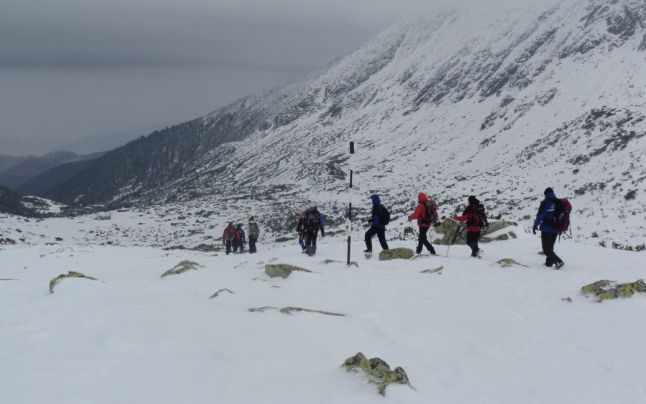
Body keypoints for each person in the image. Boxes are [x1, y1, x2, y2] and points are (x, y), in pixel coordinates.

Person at [533, 187, 565, 269]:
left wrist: (535, 225)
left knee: (546, 249)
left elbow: (540, 215)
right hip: (556, 228)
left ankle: (558, 261)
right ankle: (548, 263)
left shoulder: (546, 202)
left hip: (547, 228)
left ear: (546, 194)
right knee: (550, 247)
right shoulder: (558, 202)